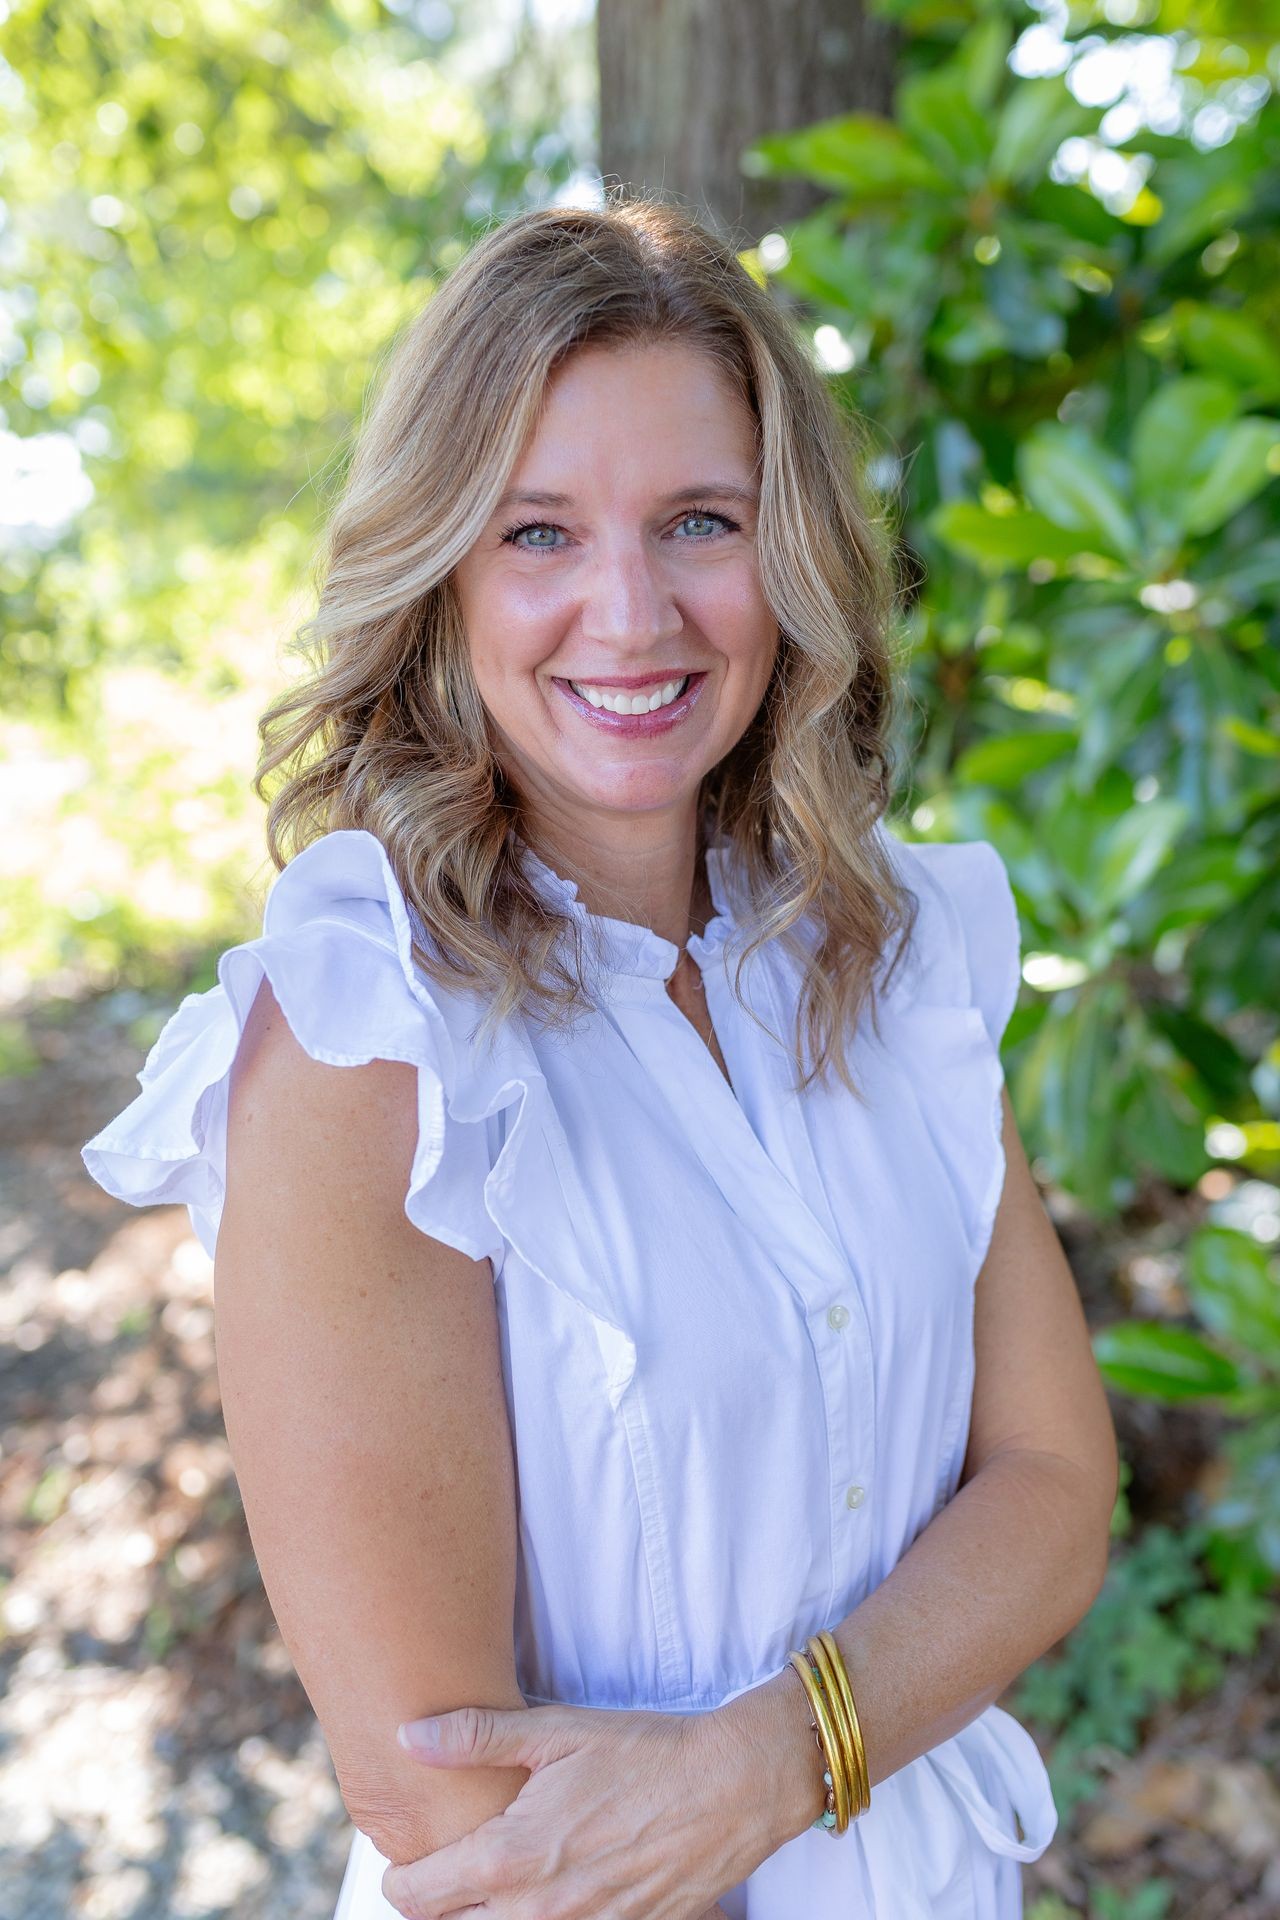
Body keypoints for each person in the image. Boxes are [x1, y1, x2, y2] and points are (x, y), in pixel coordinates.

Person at [80, 194, 1119, 1920]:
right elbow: (459, 1814)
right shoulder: (371, 1046)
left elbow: (1056, 1487)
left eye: (698, 520)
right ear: (442, 577)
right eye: (539, 532)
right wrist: (827, 1743)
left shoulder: (891, 953)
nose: (630, 612)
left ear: (790, 555)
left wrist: (777, 1758)